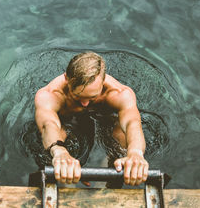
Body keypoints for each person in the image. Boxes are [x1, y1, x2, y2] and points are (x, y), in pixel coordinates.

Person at [34, 51, 149, 186]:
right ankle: (66, 173)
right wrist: (59, 152)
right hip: (67, 121)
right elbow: (49, 123)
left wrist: (135, 153)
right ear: (66, 79)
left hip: (103, 117)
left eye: (92, 97)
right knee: (54, 137)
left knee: (122, 132)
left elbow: (132, 123)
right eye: (78, 96)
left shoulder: (120, 94)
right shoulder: (49, 95)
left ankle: (114, 168)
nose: (85, 104)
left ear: (103, 81)